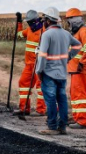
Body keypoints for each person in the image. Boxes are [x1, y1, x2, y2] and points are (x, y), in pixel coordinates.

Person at [35, 7, 82, 135]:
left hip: (48, 73)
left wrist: (39, 71)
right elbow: (78, 45)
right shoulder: (66, 34)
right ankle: (62, 127)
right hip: (61, 73)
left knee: (50, 100)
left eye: (44, 19)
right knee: (62, 100)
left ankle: (52, 126)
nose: (43, 21)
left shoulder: (47, 34)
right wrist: (69, 57)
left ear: (49, 21)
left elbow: (43, 55)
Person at [65, 8, 86, 128]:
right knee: (75, 94)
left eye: (69, 20)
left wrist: (82, 63)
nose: (68, 23)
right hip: (75, 69)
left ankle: (82, 121)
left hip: (80, 69)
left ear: (74, 20)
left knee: (80, 94)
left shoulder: (84, 31)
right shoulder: (77, 32)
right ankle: (77, 117)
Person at [13, 9, 46, 117]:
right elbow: (19, 34)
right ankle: (24, 108)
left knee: (40, 87)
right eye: (28, 22)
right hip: (29, 65)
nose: (30, 24)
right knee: (23, 83)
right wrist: (19, 22)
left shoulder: (44, 31)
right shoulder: (29, 30)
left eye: (31, 22)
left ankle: (41, 110)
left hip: (39, 64)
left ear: (37, 20)